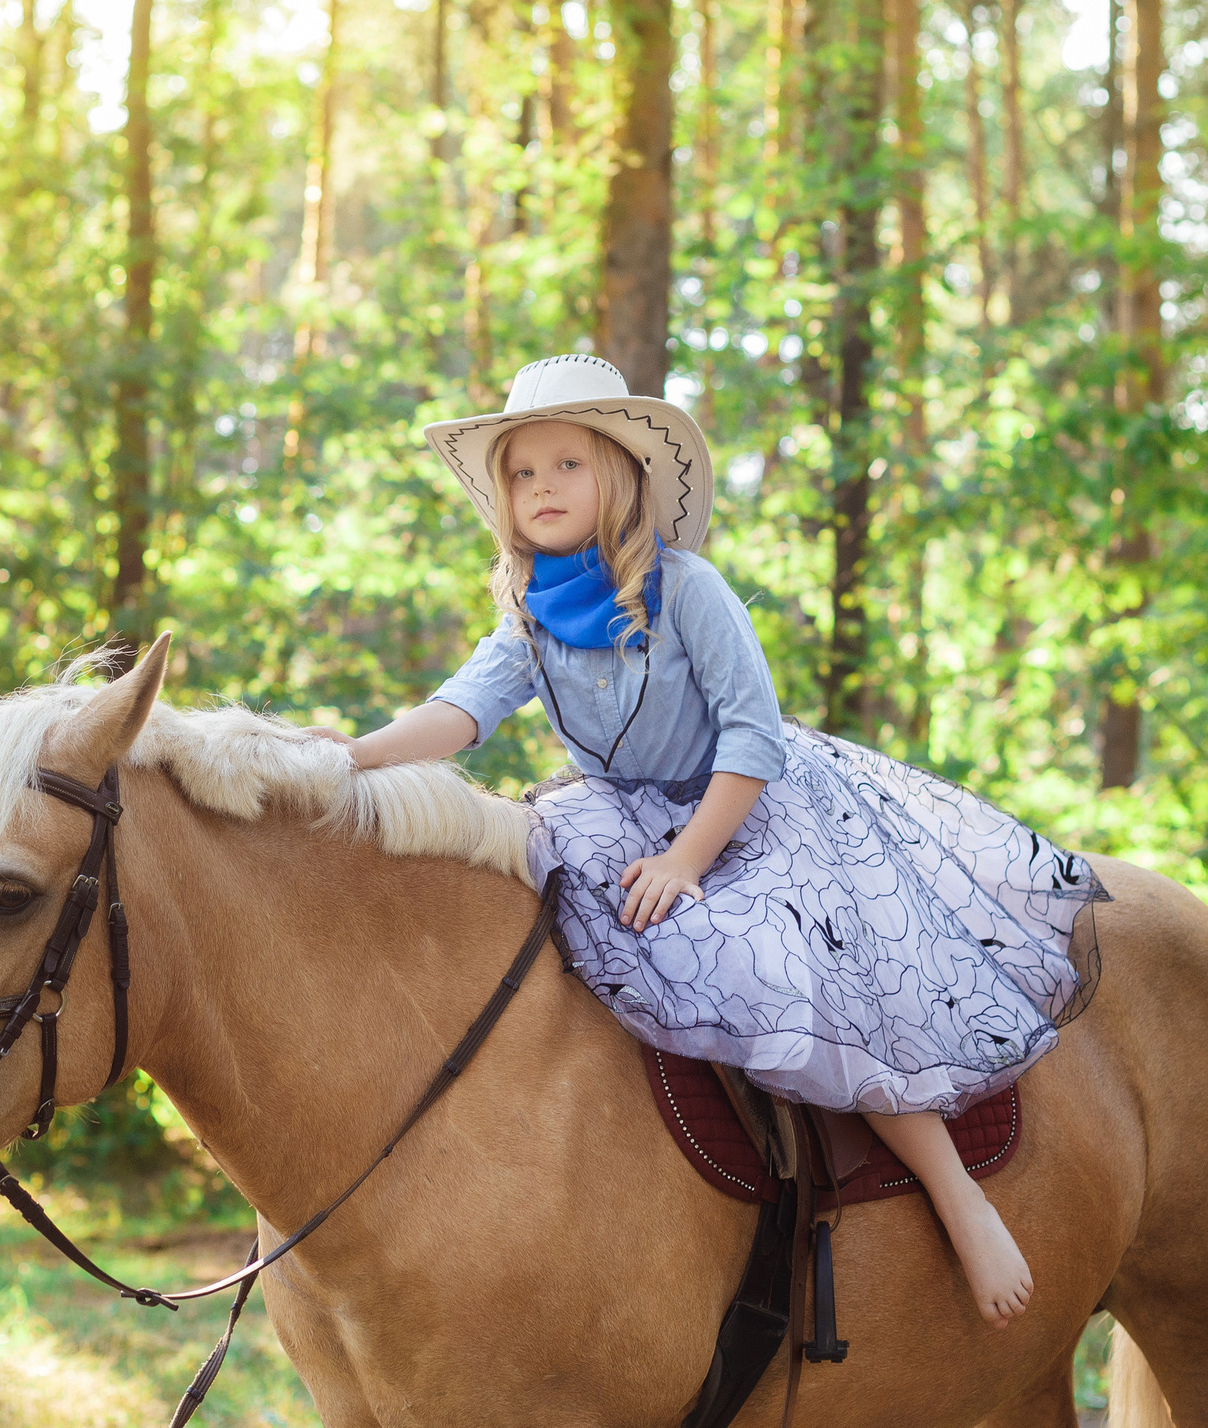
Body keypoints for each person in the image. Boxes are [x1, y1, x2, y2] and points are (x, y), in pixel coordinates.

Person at [305, 355, 1107, 1328]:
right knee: (543, 912)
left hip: (748, 803)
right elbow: (459, 712)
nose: (542, 487)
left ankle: (952, 1188)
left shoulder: (686, 589)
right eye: (522, 472)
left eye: (567, 464)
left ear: (623, 478)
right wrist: (355, 754)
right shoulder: (526, 611)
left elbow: (751, 734)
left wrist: (688, 856)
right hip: (615, 809)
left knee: (796, 967)